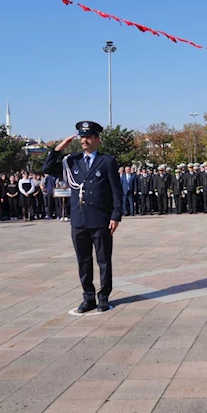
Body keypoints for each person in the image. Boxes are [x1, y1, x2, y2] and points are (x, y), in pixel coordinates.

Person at [43, 121, 123, 314]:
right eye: (82, 137)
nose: (84, 140)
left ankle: (103, 296)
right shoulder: (72, 160)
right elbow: (47, 168)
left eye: (88, 137)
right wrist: (59, 148)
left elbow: (116, 191)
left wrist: (116, 215)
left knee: (103, 260)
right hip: (79, 219)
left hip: (100, 218)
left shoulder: (107, 161)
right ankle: (88, 297)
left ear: (97, 139)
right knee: (83, 260)